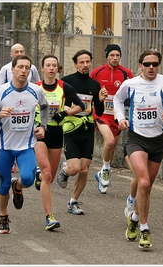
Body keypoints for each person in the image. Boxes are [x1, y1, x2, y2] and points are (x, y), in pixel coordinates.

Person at [113, 50, 163, 249]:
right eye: (147, 64)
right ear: (140, 65)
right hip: (136, 139)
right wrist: (120, 118)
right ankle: (145, 229)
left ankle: (135, 218)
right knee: (143, 182)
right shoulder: (131, 84)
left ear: (159, 65)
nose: (151, 67)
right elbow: (117, 100)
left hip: (157, 142)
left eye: (155, 64)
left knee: (147, 187)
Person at [0, 55, 49, 234]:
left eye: (27, 68)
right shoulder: (1, 92)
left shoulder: (36, 91)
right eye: (20, 67)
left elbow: (45, 107)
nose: (24, 71)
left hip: (26, 146)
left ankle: (17, 187)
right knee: (3, 186)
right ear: (12, 69)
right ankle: (3, 216)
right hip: (4, 147)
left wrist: (43, 126)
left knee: (28, 179)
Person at [34, 55, 85, 230]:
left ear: (58, 68)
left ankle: (38, 176)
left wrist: (65, 114)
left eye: (54, 65)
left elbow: (81, 106)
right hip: (40, 131)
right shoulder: (36, 87)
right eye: (47, 65)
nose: (51, 68)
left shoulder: (64, 87)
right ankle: (49, 217)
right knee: (48, 175)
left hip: (56, 132)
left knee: (50, 176)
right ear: (42, 68)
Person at [56, 49, 108, 215]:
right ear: (76, 64)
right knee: (74, 169)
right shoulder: (66, 82)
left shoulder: (94, 84)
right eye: (82, 62)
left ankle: (73, 202)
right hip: (71, 128)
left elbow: (98, 112)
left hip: (87, 129)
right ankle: (64, 170)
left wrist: (100, 100)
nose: (85, 65)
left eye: (88, 62)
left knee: (84, 170)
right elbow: (57, 102)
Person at [90, 44, 134, 194]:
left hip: (117, 115)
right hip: (101, 113)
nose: (115, 58)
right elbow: (90, 91)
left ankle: (102, 171)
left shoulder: (126, 73)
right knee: (109, 141)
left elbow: (133, 91)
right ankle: (107, 169)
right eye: (112, 55)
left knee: (112, 146)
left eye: (117, 55)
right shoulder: (97, 72)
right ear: (106, 56)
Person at [0, 43, 41, 172]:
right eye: (16, 52)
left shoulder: (32, 69)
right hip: (9, 106)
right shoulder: (5, 69)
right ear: (11, 54)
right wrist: (0, 108)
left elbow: (38, 83)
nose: (20, 53)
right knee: (11, 133)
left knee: (23, 132)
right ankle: (12, 160)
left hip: (26, 104)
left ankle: (25, 163)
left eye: (22, 51)